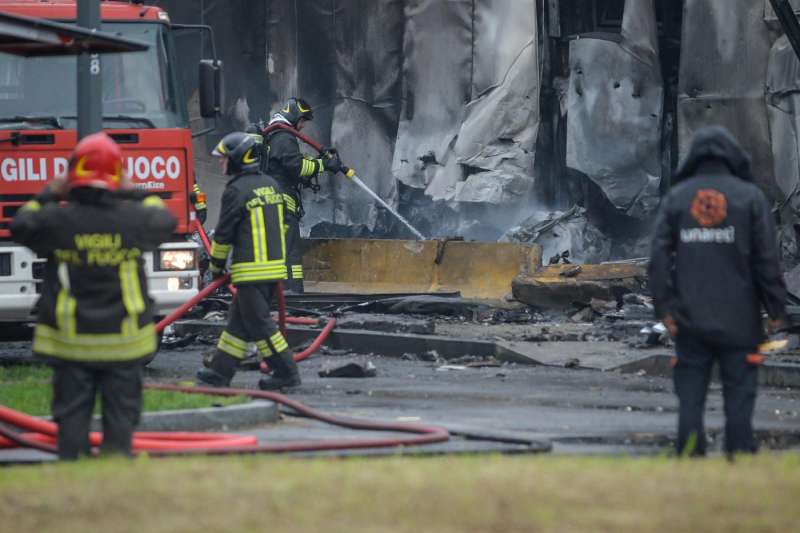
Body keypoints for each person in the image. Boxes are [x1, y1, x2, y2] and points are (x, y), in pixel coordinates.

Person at [11, 132, 176, 460]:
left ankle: (74, 470)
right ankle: (114, 473)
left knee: (72, 416)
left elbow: (21, 224)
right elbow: (166, 219)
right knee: (121, 415)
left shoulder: (56, 221)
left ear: (73, 174)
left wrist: (47, 193)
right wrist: (136, 190)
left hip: (71, 341)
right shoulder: (134, 219)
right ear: (118, 176)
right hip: (125, 341)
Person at [649, 126, 787, 458]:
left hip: (689, 319)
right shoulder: (750, 198)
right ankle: (739, 453)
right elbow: (767, 261)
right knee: (740, 391)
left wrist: (665, 310)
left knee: (690, 392)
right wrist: (777, 312)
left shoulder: (677, 198)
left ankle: (690, 452)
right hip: (741, 321)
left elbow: (656, 261)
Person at [196, 131, 301, 390]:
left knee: (260, 325)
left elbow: (223, 235)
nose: (221, 164)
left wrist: (216, 266)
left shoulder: (236, 190)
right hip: (273, 269)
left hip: (251, 271)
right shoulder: (270, 184)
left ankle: (287, 373)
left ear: (236, 159)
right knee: (237, 325)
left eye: (223, 159)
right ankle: (221, 373)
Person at [261, 97, 344, 293]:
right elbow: (297, 167)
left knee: (282, 251)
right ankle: (293, 294)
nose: (303, 126)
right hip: (282, 204)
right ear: (295, 115)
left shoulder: (273, 135)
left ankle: (285, 293)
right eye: (303, 121)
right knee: (290, 252)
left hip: (274, 202)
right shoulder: (283, 136)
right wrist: (324, 165)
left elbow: (289, 165)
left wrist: (315, 162)